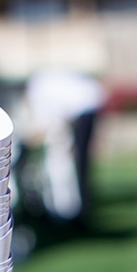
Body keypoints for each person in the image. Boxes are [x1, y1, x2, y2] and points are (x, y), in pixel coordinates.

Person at [22, 67, 105, 225]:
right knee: (78, 163)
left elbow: (43, 127)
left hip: (84, 109)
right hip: (84, 108)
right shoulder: (43, 85)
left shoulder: (37, 91)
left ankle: (78, 210)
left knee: (77, 164)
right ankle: (79, 206)